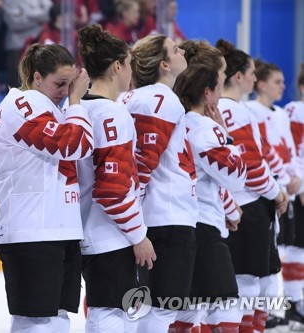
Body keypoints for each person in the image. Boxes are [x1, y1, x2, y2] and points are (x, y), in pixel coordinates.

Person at [0, 43, 92, 332]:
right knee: (35, 321)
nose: (66, 91)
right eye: (60, 83)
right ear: (36, 78)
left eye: (71, 85)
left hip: (56, 226)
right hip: (30, 229)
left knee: (57, 318)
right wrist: (76, 103)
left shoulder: (51, 109)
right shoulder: (22, 104)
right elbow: (74, 145)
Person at [74, 24, 156, 333]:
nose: (132, 72)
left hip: (90, 230)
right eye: (130, 64)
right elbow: (112, 190)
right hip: (111, 234)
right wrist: (138, 235)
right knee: (113, 316)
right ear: (117, 66)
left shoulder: (80, 108)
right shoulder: (114, 114)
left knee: (107, 312)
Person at [118, 34, 197, 333]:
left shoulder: (129, 97)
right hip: (166, 217)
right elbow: (142, 164)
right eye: (176, 49)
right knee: (161, 311)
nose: (183, 50)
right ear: (164, 64)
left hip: (150, 218)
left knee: (136, 308)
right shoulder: (161, 99)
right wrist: (133, 223)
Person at [216, 38, 288, 333]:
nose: (255, 79)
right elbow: (251, 166)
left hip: (235, 205)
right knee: (250, 282)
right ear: (238, 77)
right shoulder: (235, 110)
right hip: (248, 206)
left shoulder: (222, 108)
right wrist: (277, 192)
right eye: (252, 73)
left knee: (254, 280)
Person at [173, 46, 247, 331]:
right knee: (227, 309)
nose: (220, 96)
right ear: (206, 93)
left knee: (186, 309)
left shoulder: (175, 122)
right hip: (203, 226)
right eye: (218, 88)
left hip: (182, 223)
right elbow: (236, 177)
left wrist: (229, 208)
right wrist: (227, 137)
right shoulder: (206, 128)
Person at [247, 59, 303, 329]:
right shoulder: (250, 111)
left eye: (283, 82)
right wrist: (282, 178)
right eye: (277, 81)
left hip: (286, 189)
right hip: (265, 189)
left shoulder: (280, 114)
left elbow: (290, 150)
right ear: (261, 83)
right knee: (267, 252)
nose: (283, 86)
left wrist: (296, 180)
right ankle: (261, 309)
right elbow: (264, 150)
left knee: (280, 251)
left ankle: (275, 308)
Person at [285, 63, 304, 326]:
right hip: (299, 191)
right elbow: (292, 151)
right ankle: (292, 302)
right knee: (297, 248)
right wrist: (300, 187)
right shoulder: (297, 111)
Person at [2, 0, 51, 88]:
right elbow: (14, 23)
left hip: (39, 44)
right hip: (17, 47)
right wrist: (39, 20)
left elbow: (50, 13)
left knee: (38, 82)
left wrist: (27, 13)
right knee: (17, 84)